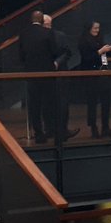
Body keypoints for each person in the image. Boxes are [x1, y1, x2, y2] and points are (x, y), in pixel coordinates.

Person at [18, 10, 58, 143]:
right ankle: (49, 129)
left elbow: (21, 55)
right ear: (42, 21)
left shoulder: (24, 33)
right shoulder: (47, 33)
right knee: (48, 103)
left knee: (34, 104)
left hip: (31, 73)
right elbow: (54, 51)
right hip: (46, 73)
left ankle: (38, 132)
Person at [44, 14, 78, 142]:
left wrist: (57, 62)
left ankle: (63, 130)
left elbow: (67, 52)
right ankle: (49, 129)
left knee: (63, 104)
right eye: (45, 24)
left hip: (61, 74)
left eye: (48, 24)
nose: (47, 26)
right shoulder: (40, 37)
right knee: (47, 104)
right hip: (45, 76)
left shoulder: (60, 35)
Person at [78, 21, 111, 138]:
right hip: (91, 75)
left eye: (98, 28)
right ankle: (93, 127)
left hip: (103, 73)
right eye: (95, 28)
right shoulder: (83, 41)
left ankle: (106, 127)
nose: (97, 30)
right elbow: (86, 58)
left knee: (106, 101)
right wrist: (100, 51)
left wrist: (107, 50)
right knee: (92, 102)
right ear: (89, 28)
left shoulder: (100, 39)